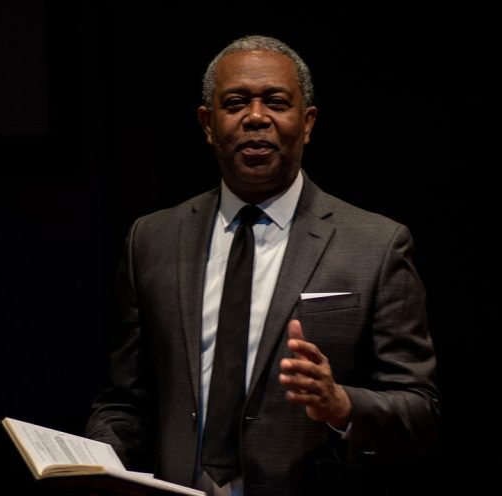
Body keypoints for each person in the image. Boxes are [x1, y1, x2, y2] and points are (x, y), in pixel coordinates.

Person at [85, 35, 439, 496]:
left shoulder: (375, 244)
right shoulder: (152, 239)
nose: (256, 117)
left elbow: (419, 409)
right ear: (207, 124)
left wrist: (341, 405)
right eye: (235, 103)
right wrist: (95, 463)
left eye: (276, 102)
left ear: (307, 122)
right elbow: (125, 400)